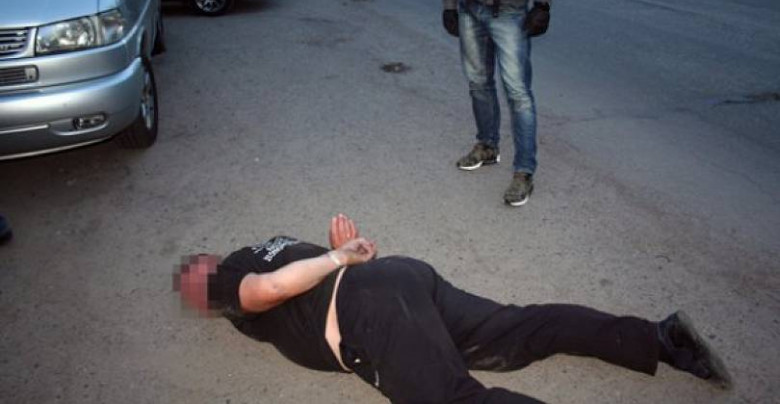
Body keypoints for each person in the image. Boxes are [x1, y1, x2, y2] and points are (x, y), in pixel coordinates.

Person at [174, 214, 731, 403]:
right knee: (522, 326)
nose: (194, 298)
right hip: (400, 280)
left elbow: (268, 291)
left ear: (204, 271)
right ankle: (659, 339)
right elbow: (305, 277)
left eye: (190, 287)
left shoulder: (227, 278)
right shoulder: (269, 245)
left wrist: (338, 256)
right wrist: (342, 255)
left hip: (372, 312)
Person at [441, 0, 563, 206]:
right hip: (470, 5)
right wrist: (449, 3)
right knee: (478, 83)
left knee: (518, 93)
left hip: (510, 9)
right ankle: (487, 145)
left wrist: (543, 3)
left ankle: (524, 172)